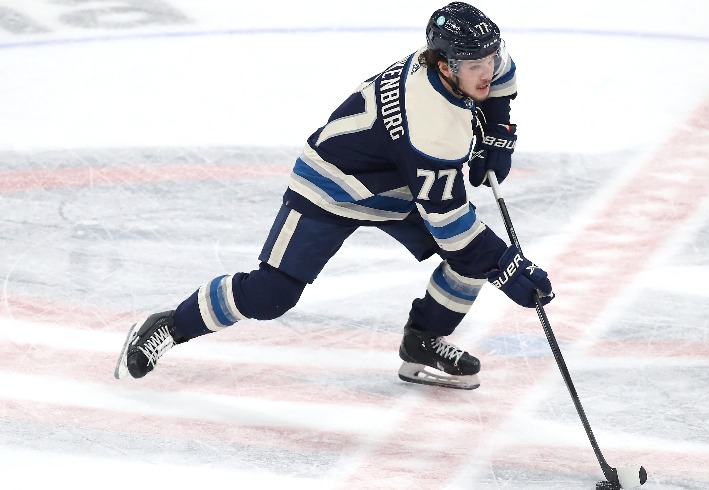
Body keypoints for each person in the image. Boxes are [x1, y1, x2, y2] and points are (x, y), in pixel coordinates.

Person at [114, 2, 554, 390]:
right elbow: (451, 224)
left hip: (397, 181)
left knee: (467, 260)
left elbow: (503, 76)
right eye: (475, 65)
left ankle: (421, 342)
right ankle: (171, 326)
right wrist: (506, 267)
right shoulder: (435, 128)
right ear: (444, 66)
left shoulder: (460, 64)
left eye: (489, 59)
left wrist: (497, 133)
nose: (488, 71)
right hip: (333, 184)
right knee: (273, 294)